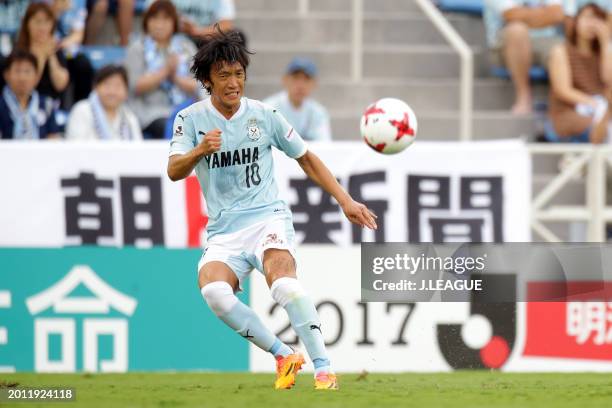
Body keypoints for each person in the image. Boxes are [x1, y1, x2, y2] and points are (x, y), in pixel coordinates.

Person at [167, 28, 377, 390]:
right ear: (206, 80)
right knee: (213, 291)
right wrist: (199, 151)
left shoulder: (265, 115)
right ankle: (283, 355)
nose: (233, 83)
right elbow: (174, 171)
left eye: (239, 74)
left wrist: (345, 201)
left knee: (284, 284)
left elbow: (306, 159)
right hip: (223, 231)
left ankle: (324, 370)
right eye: (224, 76)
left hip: (267, 218)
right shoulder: (190, 120)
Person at [126, 0, 198, 139]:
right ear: (146, 21)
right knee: (173, 128)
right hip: (150, 113)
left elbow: (198, 86)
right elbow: (134, 86)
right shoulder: (137, 49)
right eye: (154, 18)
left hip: (185, 109)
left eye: (165, 19)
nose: (159, 24)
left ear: (174, 23)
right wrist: (165, 71)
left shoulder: (186, 47)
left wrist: (175, 77)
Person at [484, 0, 564, 114]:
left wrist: (524, 16)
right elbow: (511, 14)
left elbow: (557, 14)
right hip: (505, 44)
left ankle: (565, 104)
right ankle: (523, 98)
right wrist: (543, 15)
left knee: (561, 49)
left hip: (545, 40)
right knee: (517, 30)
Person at [548, 3, 612, 143]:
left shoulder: (603, 53)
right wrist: (593, 103)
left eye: (597, 20)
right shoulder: (561, 51)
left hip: (601, 110)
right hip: (570, 111)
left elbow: (608, 80)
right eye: (588, 18)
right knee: (601, 129)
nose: (592, 24)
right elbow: (562, 90)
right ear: (577, 20)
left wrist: (606, 42)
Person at [14, 2, 70, 107]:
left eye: (46, 22)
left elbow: (61, 84)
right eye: (38, 21)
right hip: (26, 106)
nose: (42, 27)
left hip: (53, 105)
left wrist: (51, 55)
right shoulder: (20, 50)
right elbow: (28, 86)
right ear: (27, 23)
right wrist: (42, 56)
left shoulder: (56, 48)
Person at [263, 58, 332, 142]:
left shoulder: (318, 112)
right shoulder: (268, 108)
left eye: (306, 79)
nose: (300, 85)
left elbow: (324, 144)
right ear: (285, 80)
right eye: (296, 78)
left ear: (314, 83)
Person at [66, 64, 142, 140]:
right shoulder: (82, 110)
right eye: (107, 85)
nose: (112, 91)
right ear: (95, 87)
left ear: (126, 91)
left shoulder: (130, 117)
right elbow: (76, 147)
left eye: (118, 86)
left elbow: (138, 149)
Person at [42, 0, 94, 104]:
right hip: (45, 47)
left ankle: (81, 105)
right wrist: (56, 10)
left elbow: (78, 34)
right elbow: (41, 27)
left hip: (66, 49)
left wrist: (63, 44)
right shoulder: (42, 2)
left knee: (83, 64)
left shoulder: (78, 2)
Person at [0, 50, 60, 139]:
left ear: (36, 76)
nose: (22, 77)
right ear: (6, 75)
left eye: (27, 71)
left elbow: (53, 138)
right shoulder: (1, 104)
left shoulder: (46, 104)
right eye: (17, 71)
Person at [147, 0, 236, 42]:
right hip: (173, 35)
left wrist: (196, 31)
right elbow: (152, 13)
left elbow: (226, 25)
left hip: (205, 38)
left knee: (236, 37)